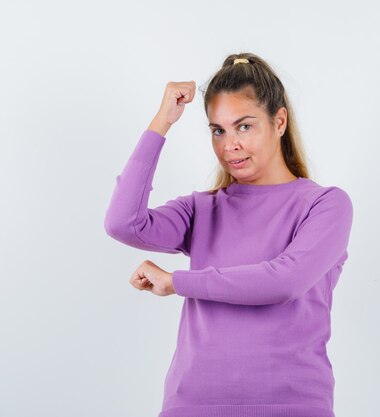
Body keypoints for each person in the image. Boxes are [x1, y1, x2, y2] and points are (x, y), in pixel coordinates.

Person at [104, 52, 354, 417]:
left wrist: (177, 281)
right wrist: (162, 122)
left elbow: (282, 282)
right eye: (218, 130)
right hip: (191, 406)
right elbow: (123, 223)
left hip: (292, 406)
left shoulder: (325, 205)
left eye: (244, 126)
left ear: (279, 121)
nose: (229, 145)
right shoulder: (201, 209)